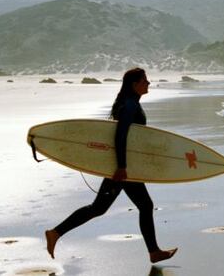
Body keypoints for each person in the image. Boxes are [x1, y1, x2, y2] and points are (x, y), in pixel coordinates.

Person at [45, 68, 177, 263]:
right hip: (122, 167)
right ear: (135, 84)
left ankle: (55, 233)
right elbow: (120, 136)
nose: (148, 83)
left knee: (100, 208)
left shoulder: (129, 102)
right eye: (145, 80)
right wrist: (122, 167)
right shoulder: (129, 105)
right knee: (142, 205)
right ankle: (154, 252)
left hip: (123, 165)